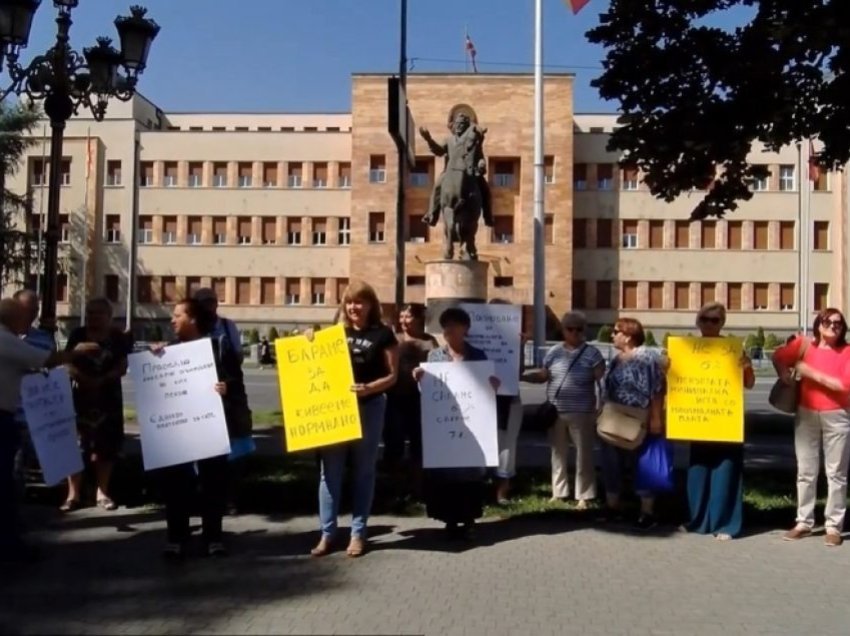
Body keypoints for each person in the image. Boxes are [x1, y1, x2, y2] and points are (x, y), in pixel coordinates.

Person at [0, 299, 99, 564]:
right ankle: (9, 546)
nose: (29, 319)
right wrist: (76, 352)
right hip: (2, 418)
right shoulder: (6, 339)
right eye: (25, 315)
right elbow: (46, 359)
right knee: (4, 484)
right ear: (13, 318)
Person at [310, 280, 399, 558]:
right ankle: (327, 534)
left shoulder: (384, 335)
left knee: (363, 472)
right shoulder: (335, 333)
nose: (353, 307)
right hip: (335, 410)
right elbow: (314, 364)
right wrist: (308, 342)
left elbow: (392, 375)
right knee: (329, 473)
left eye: (359, 302)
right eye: (349, 302)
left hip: (369, 408)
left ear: (371, 304)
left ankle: (358, 533)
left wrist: (370, 388)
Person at [156, 298, 250, 559]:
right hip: (178, 429)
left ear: (193, 319)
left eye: (177, 315)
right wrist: (154, 360)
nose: (172, 320)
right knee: (176, 483)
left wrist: (226, 388)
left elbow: (236, 383)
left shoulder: (218, 347)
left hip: (210, 426)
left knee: (213, 483)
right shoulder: (168, 351)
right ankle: (176, 538)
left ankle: (213, 538)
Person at [413, 307, 500, 539]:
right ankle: (450, 519)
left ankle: (470, 518)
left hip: (472, 426)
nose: (450, 330)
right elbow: (429, 394)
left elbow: (486, 391)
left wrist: (492, 386)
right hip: (445, 426)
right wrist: (420, 379)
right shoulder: (434, 357)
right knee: (446, 473)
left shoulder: (478, 357)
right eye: (446, 326)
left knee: (470, 472)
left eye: (455, 325)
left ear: (466, 328)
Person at [773, 308, 850, 547]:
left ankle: (833, 526)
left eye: (839, 323)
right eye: (828, 321)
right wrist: (783, 372)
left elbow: (842, 385)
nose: (833, 326)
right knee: (805, 471)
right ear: (818, 324)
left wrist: (809, 372)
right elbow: (778, 356)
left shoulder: (847, 352)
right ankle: (803, 522)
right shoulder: (805, 345)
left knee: (836, 473)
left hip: (837, 415)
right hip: (806, 414)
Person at [681, 302, 755, 540]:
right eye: (705, 319)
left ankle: (725, 524)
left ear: (722, 323)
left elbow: (749, 383)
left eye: (715, 320)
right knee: (698, 472)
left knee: (726, 471)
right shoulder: (685, 349)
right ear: (697, 322)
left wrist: (747, 367)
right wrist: (668, 367)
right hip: (698, 420)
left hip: (724, 420)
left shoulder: (732, 349)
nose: (709, 324)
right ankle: (698, 520)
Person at [523, 311, 605, 508]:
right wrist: (523, 377)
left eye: (579, 329)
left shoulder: (593, 353)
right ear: (563, 330)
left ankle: (583, 495)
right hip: (555, 411)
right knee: (557, 453)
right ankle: (558, 492)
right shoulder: (554, 352)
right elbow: (544, 375)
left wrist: (601, 406)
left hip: (582, 412)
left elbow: (601, 381)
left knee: (583, 455)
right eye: (570, 329)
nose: (575, 333)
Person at [62, 298, 133, 512]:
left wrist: (102, 380)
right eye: (90, 312)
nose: (93, 316)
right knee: (75, 445)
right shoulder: (78, 335)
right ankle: (73, 495)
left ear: (109, 316)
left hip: (109, 397)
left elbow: (122, 365)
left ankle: (102, 493)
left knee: (106, 446)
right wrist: (82, 378)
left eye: (98, 313)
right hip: (80, 397)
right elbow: (67, 361)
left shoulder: (117, 337)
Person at [600, 318, 665, 531]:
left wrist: (656, 418)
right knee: (612, 463)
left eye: (616, 331)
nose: (612, 335)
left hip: (640, 418)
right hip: (615, 417)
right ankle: (613, 508)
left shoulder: (646, 357)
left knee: (643, 464)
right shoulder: (618, 358)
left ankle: (647, 512)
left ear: (628, 336)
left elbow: (657, 388)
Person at [384, 303, 437, 484]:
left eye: (408, 316)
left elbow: (438, 368)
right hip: (395, 398)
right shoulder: (393, 339)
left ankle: (417, 485)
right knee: (394, 442)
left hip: (420, 401)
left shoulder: (430, 342)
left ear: (420, 319)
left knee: (419, 444)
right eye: (401, 316)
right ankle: (393, 484)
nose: (403, 320)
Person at [11, 290, 55, 496]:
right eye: (28, 309)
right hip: (6, 410)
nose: (32, 314)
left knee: (18, 468)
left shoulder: (44, 339)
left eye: (35, 309)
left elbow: (51, 372)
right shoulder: (3, 336)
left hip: (30, 417)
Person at [193, 287, 243, 362]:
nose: (208, 307)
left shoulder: (228, 326)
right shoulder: (190, 327)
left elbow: (239, 356)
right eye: (204, 303)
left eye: (211, 302)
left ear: (216, 304)